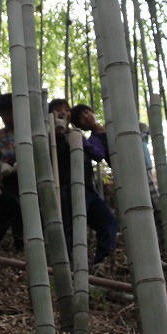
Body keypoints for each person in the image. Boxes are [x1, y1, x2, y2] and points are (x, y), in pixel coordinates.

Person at [52, 99, 119, 267]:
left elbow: (97, 154)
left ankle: (100, 263)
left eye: (66, 110)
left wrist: (81, 139)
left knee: (108, 223)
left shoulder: (77, 135)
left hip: (87, 189)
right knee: (70, 230)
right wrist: (59, 135)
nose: (63, 113)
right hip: (65, 189)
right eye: (58, 110)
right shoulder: (47, 136)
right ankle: (67, 268)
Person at [0, 93, 22, 251]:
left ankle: (22, 245)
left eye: (9, 113)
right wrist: (1, 165)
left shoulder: (28, 131)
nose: (6, 117)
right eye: (2, 114)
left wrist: (24, 162)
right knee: (11, 206)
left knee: (26, 211)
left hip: (28, 177)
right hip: (8, 178)